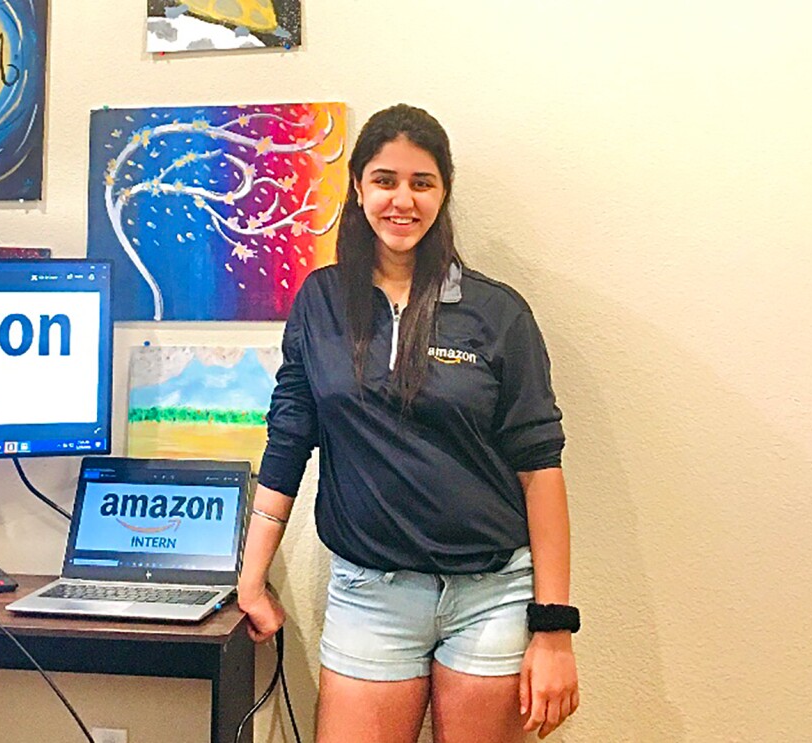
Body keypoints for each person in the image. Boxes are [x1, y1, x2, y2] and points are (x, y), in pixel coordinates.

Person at [238, 103, 580, 742]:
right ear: (360, 188)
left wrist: (554, 628)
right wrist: (252, 577)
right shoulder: (321, 302)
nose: (403, 200)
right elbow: (288, 441)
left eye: (421, 182)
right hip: (372, 593)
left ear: (443, 193)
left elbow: (540, 471)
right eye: (385, 180)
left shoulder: (496, 313)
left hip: (492, 596)